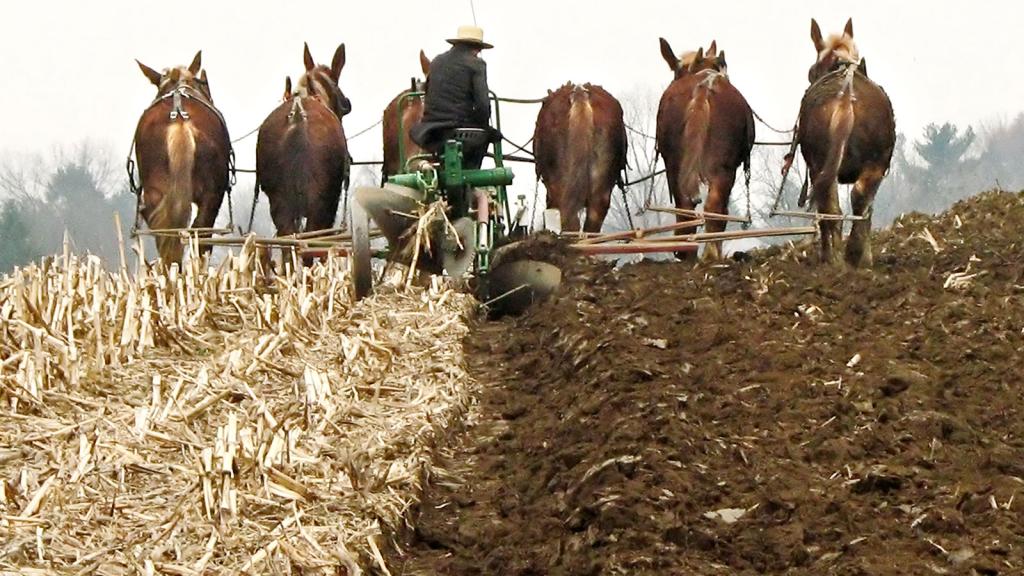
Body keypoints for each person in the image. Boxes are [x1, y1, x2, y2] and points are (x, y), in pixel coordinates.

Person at [411, 25, 495, 170]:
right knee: (490, 135)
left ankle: (436, 164)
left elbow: (428, 92)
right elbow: (483, 106)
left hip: (431, 132)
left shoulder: (436, 62)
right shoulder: (477, 64)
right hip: (460, 131)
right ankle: (471, 175)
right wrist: (483, 125)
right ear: (476, 48)